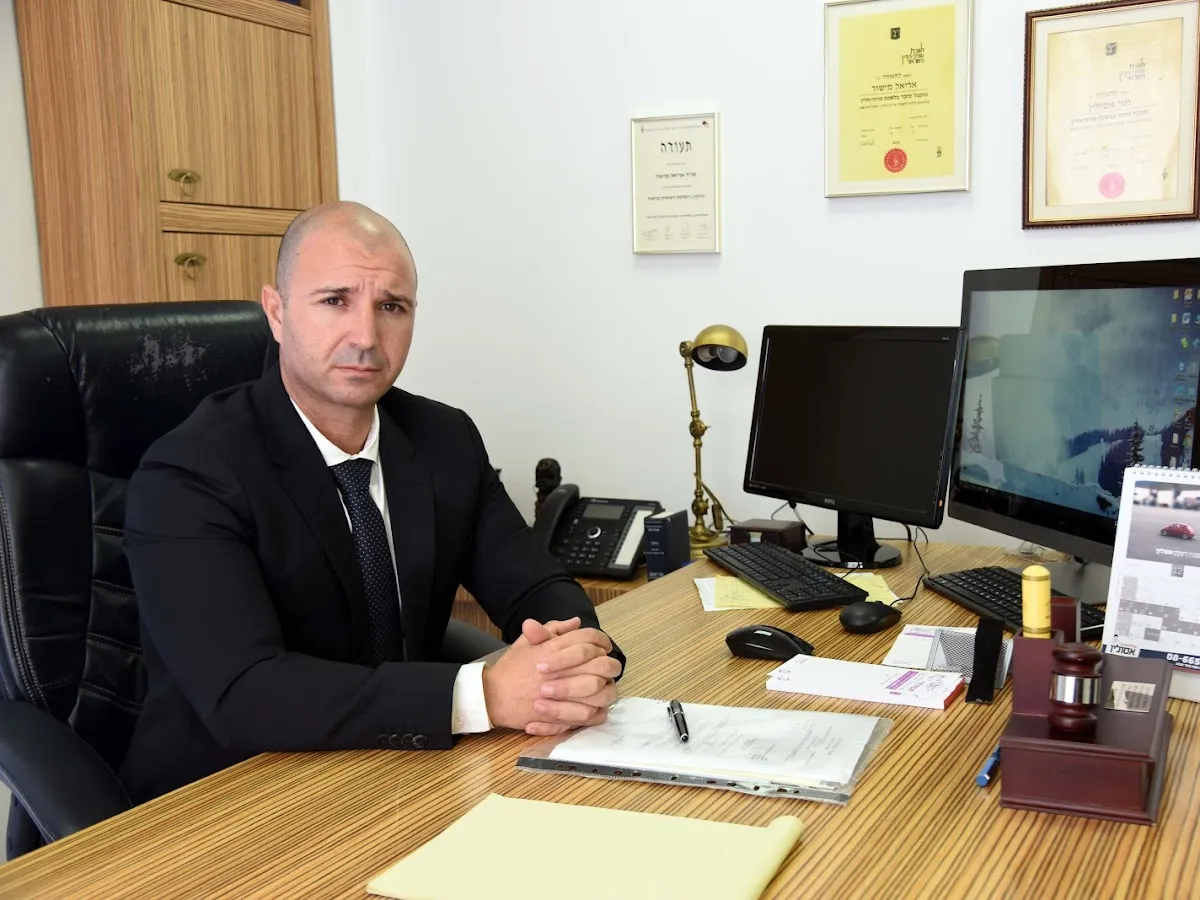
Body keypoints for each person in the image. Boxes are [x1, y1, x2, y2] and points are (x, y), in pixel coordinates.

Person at [120, 201, 624, 803]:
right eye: (335, 300)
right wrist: (483, 695)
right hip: (228, 795)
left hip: (399, 768)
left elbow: (536, 585)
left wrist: (574, 658)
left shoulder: (443, 438)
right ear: (277, 313)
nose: (365, 336)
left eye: (391, 307)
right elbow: (244, 692)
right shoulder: (189, 472)